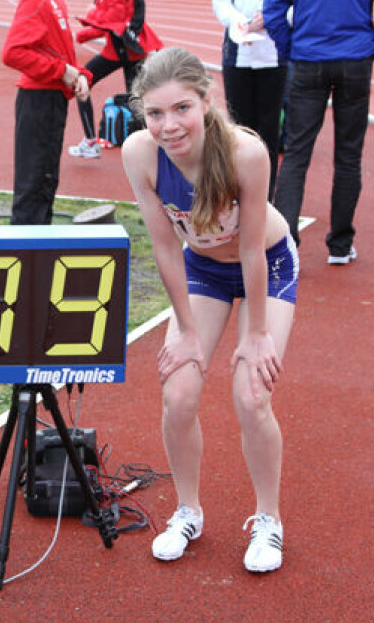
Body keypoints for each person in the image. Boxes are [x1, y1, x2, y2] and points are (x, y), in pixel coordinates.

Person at [121, 47, 298, 572]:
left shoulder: (246, 153)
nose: (168, 126)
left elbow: (250, 250)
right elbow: (165, 246)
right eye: (155, 113)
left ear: (205, 102)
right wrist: (186, 331)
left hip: (266, 262)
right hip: (203, 270)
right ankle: (187, 511)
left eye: (181, 109)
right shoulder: (139, 155)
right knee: (178, 392)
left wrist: (258, 332)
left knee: (251, 395)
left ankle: (269, 520)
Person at [263, 0, 374, 265]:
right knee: (349, 156)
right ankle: (340, 245)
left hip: (307, 57)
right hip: (355, 58)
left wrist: (289, 47)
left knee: (295, 155)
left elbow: (272, 11)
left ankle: (284, 246)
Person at [3, 0, 91, 225]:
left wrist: (80, 75)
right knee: (34, 185)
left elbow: (58, 52)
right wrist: (61, 71)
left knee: (45, 181)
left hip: (50, 99)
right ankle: (26, 254)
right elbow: (13, 52)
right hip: (39, 101)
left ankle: (37, 251)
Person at [68, 0, 163, 159]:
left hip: (120, 49)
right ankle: (155, 145)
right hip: (134, 47)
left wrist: (91, 15)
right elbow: (114, 24)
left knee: (82, 82)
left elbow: (113, 20)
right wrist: (82, 34)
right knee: (137, 98)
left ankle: (90, 142)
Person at [212, 0, 287, 200]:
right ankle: (238, 191)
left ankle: (265, 195)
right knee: (239, 130)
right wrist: (242, 22)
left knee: (268, 131)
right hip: (238, 58)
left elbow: (294, 5)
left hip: (274, 59)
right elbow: (220, 3)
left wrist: (270, 17)